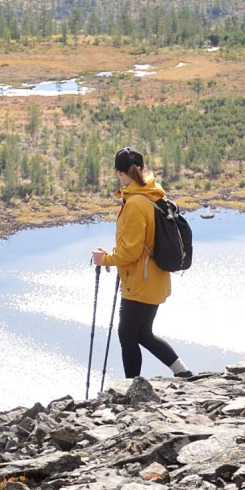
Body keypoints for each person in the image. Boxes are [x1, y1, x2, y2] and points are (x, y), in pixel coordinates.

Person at [91, 148, 194, 380]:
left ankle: (132, 387)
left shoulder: (136, 203)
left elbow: (131, 252)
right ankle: (183, 372)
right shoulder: (153, 194)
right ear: (143, 168)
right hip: (156, 278)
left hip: (140, 281)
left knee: (127, 335)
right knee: (143, 334)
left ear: (119, 173)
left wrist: (105, 259)